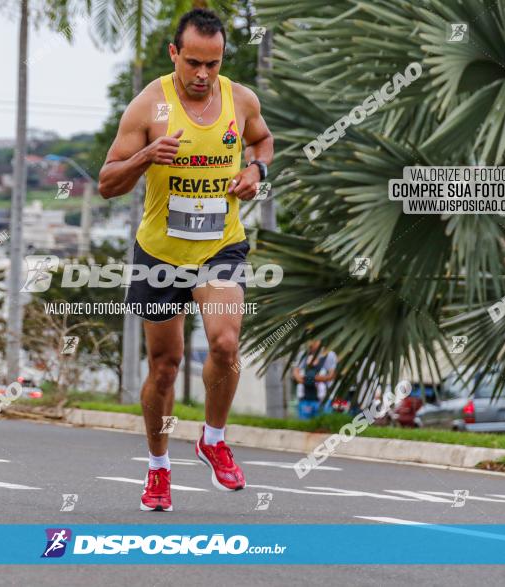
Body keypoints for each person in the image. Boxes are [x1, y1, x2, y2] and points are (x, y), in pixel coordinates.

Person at [98, 8, 274, 511]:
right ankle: (157, 470)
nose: (202, 75)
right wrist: (146, 157)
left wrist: (256, 169)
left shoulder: (240, 100)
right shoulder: (148, 106)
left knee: (224, 342)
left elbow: (262, 139)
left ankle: (212, 440)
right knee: (166, 366)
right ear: (174, 53)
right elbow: (107, 183)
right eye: (193, 62)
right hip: (161, 253)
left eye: (212, 64)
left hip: (221, 244)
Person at [292, 340, 338, 418]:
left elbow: (332, 376)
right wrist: (310, 379)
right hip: (305, 398)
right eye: (310, 340)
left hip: (323, 398)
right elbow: (296, 374)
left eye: (314, 340)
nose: (311, 343)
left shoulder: (330, 355)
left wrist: (311, 378)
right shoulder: (303, 354)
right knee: (304, 426)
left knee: (323, 425)